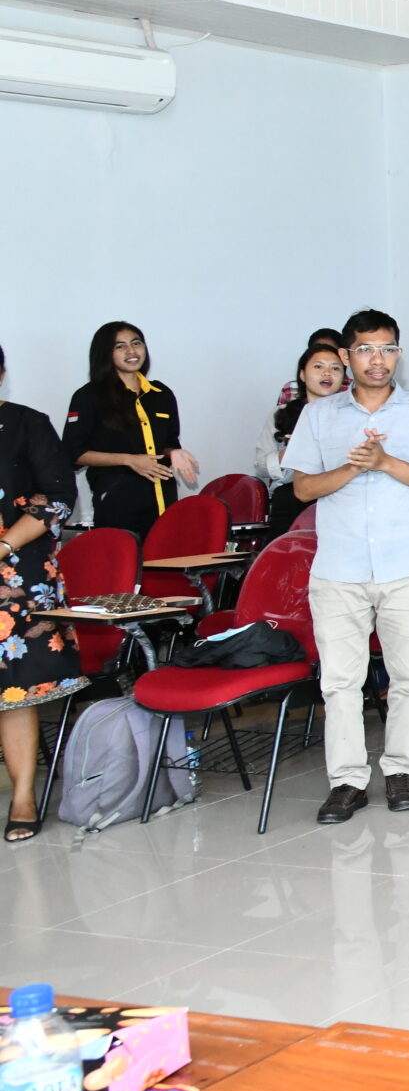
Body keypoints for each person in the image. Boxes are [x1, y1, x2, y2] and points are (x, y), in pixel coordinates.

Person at [285, 310, 409, 823]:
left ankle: (401, 770)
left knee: (408, 677)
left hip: (407, 565)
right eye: (365, 349)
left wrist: (385, 464)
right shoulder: (319, 416)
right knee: (340, 682)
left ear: (398, 354)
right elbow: (302, 489)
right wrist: (350, 468)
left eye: (387, 349)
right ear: (346, 356)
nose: (376, 359)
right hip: (339, 568)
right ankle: (346, 781)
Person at [0, 345, 81, 841]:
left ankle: (24, 796)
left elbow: (58, 495)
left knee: (15, 695)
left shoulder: (27, 424)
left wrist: (5, 543)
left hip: (18, 580)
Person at [63, 322, 198, 534]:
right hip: (118, 501)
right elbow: (74, 453)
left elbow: (168, 442)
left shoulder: (161, 394)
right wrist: (129, 460)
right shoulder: (89, 396)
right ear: (105, 353)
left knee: (164, 562)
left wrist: (175, 453)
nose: (131, 350)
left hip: (163, 499)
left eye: (136, 343)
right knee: (125, 563)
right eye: (120, 346)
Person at [257, 343, 348, 532]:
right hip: (291, 499)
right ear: (302, 375)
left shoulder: (353, 416)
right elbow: (260, 467)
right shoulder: (281, 414)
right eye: (318, 366)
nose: (327, 373)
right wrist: (289, 454)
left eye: (335, 368)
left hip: (339, 497)